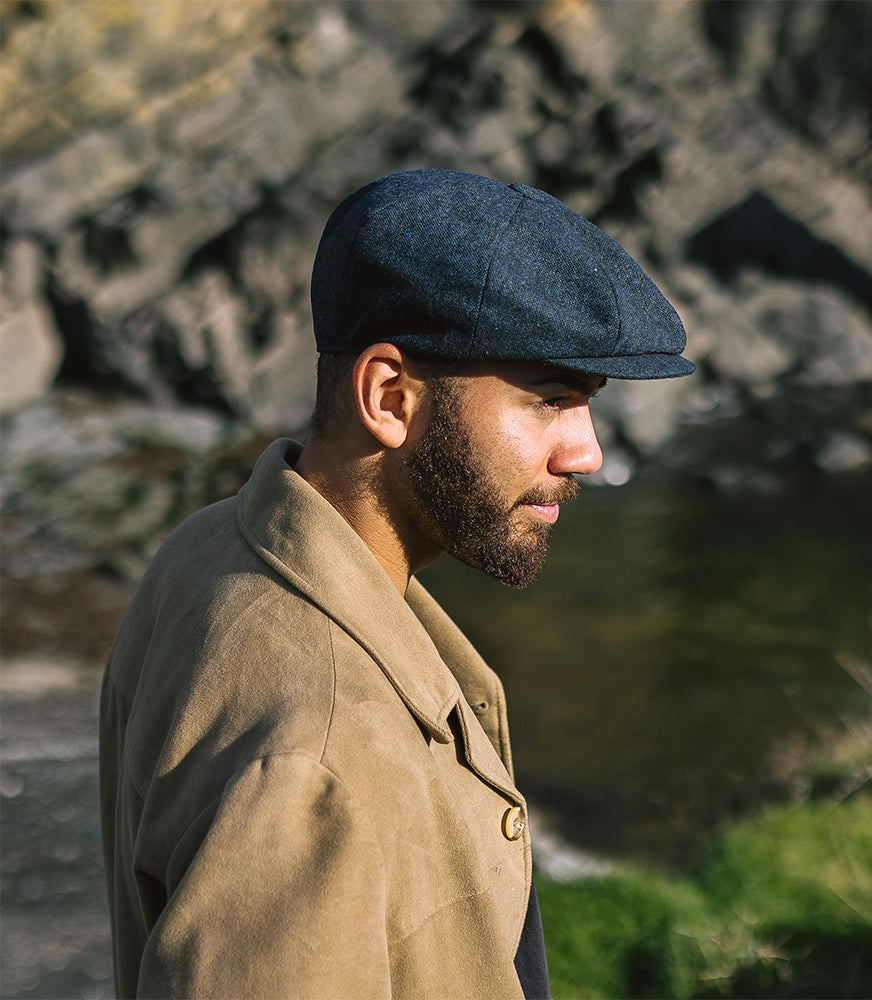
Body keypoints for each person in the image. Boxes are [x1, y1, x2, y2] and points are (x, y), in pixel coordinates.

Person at [99, 168, 695, 999]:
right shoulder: (315, 759)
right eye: (551, 400)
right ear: (389, 395)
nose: (586, 451)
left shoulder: (208, 547)